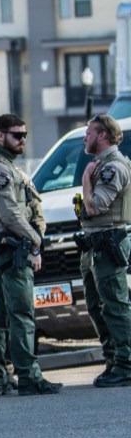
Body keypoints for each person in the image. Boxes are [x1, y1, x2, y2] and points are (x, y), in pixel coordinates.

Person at [0, 114, 63, 396]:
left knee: (2, 314)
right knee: (22, 314)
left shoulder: (8, 169)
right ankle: (28, 376)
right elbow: (11, 215)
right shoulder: (0, 171)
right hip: (12, 248)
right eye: (17, 135)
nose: (23, 140)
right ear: (0, 136)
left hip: (8, 247)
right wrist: (35, 240)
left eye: (25, 135)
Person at [79, 114, 131, 387]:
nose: (85, 138)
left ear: (102, 135)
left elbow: (94, 207)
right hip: (94, 245)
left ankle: (127, 364)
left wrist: (86, 178)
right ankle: (114, 360)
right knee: (96, 306)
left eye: (89, 133)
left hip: (108, 244)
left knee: (115, 306)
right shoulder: (101, 165)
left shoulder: (113, 168)